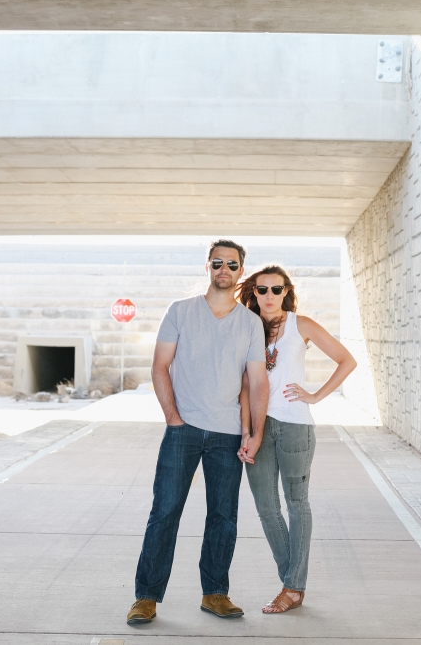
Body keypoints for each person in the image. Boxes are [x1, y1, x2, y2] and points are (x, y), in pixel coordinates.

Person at [127, 239, 269, 625]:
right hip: (183, 430)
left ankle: (215, 594)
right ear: (207, 266)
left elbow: (258, 383)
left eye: (233, 264)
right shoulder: (180, 311)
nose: (225, 269)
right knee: (164, 513)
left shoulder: (250, 323)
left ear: (241, 272)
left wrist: (254, 432)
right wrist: (173, 418)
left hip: (227, 435)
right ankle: (147, 597)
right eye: (218, 262)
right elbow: (160, 366)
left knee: (223, 516)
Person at [237, 264, 357, 614]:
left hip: (294, 426)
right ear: (254, 293)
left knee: (296, 504)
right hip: (259, 428)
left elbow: (346, 360)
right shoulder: (246, 327)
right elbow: (245, 386)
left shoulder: (300, 325)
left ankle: (291, 588)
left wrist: (316, 396)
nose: (270, 296)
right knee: (266, 507)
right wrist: (246, 431)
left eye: (277, 289)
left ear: (286, 291)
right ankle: (294, 583)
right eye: (263, 290)